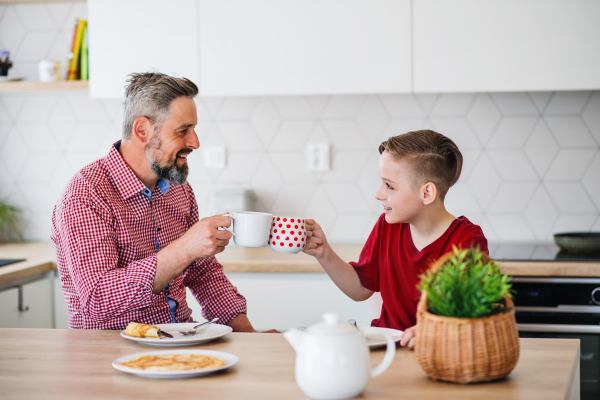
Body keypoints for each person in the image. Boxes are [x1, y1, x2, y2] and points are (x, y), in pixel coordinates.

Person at [51, 72, 274, 332]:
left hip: (179, 342)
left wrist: (251, 338)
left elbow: (204, 274)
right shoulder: (86, 194)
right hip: (110, 353)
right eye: (183, 131)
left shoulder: (179, 190)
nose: (195, 142)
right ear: (143, 130)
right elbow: (98, 299)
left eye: (194, 129)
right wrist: (184, 249)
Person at [303, 130, 488, 347]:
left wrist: (435, 330)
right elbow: (360, 289)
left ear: (427, 193)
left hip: (438, 352)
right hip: (387, 347)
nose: (378, 193)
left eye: (389, 185)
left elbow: (470, 315)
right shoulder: (388, 226)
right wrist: (324, 253)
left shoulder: (467, 241)